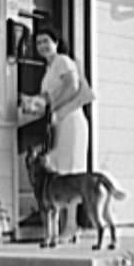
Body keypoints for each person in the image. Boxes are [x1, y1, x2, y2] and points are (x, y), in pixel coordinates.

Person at [35, 25, 89, 175]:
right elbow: (46, 97)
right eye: (38, 43)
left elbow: (72, 86)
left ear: (56, 43)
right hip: (57, 122)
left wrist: (54, 107)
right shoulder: (48, 69)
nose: (42, 46)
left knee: (71, 171)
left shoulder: (63, 61)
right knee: (57, 170)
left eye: (46, 41)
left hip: (70, 119)